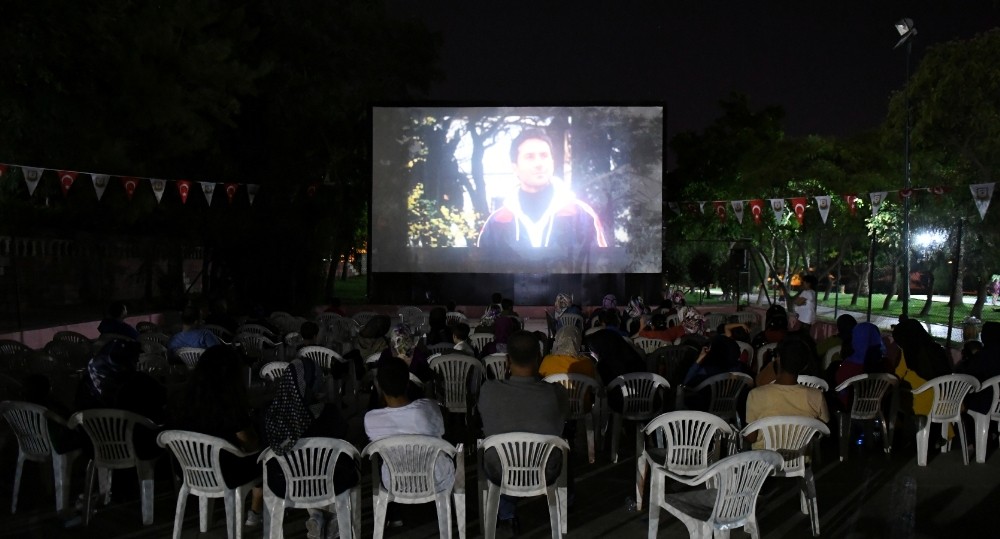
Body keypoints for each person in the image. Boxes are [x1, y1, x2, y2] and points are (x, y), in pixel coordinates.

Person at [478, 330, 569, 531]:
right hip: (545, 470)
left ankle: (506, 511)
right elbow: (563, 419)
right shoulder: (556, 393)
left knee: (499, 453)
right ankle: (566, 500)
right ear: (539, 358)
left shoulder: (488, 390)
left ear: (507, 360)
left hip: (499, 471)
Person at [169, 345, 264, 526]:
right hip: (224, 472)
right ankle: (255, 512)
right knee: (266, 458)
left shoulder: (181, 399)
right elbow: (250, 444)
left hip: (188, 468)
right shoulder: (229, 404)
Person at [264, 357, 357, 539]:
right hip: (327, 482)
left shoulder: (271, 413)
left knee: (304, 467)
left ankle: (316, 516)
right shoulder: (327, 412)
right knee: (335, 464)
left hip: (284, 484)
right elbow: (343, 435)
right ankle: (332, 518)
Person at [476, 128, 608, 250]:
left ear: (552, 162)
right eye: (530, 157)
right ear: (515, 167)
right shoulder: (497, 221)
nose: (539, 164)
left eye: (544, 156)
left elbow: (600, 265)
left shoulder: (580, 214)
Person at [364, 357, 453, 527]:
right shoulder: (431, 407)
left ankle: (395, 513)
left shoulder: (370, 419)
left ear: (379, 387)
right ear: (408, 383)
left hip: (395, 482)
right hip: (436, 479)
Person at [744, 336, 830, 449]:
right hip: (800, 457)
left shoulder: (756, 395)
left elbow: (751, 438)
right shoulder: (817, 395)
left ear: (778, 360)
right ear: (805, 366)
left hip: (764, 459)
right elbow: (822, 429)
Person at [893, 318, 953, 419]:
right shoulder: (938, 350)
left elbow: (895, 378)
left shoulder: (908, 354)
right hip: (947, 404)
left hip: (920, 407)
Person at [833, 322, 892, 408]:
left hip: (849, 410)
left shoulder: (847, 367)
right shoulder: (886, 364)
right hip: (878, 410)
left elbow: (840, 390)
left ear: (855, 339)